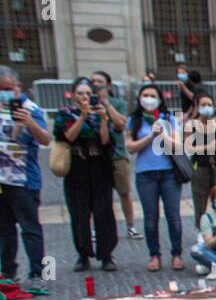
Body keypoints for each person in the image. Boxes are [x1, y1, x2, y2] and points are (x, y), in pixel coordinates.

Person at [56, 80, 117, 272]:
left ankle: (106, 255)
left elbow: (106, 140)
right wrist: (82, 116)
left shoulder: (99, 113)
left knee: (104, 212)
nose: (85, 96)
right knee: (79, 214)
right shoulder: (65, 114)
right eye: (81, 93)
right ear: (73, 95)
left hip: (99, 167)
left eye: (88, 93)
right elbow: (70, 137)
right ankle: (83, 254)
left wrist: (104, 120)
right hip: (77, 169)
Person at [127, 83, 186, 272]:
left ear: (160, 99)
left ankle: (176, 254)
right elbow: (130, 147)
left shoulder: (168, 119)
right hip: (145, 174)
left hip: (168, 172)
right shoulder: (134, 120)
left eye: (153, 95)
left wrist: (163, 135)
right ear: (140, 98)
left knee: (173, 216)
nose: (149, 99)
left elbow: (177, 146)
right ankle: (154, 255)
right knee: (151, 218)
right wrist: (150, 136)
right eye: (145, 95)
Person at [0, 67, 50, 285]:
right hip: (2, 181)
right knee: (4, 229)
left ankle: (38, 271)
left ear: (17, 86)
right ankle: (8, 271)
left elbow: (46, 139)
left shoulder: (31, 109)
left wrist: (29, 123)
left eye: (9, 89)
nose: (5, 94)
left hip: (25, 180)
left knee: (30, 227)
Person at [89, 71, 139, 240]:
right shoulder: (86, 104)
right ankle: (98, 227)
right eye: (92, 81)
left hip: (117, 153)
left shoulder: (117, 103)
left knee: (124, 192)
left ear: (108, 85)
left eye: (99, 82)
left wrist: (106, 104)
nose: (95, 84)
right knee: (99, 195)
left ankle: (130, 226)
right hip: (95, 155)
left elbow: (121, 124)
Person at [185, 91, 216, 224]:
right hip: (199, 167)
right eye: (203, 104)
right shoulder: (191, 125)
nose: (207, 107)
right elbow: (189, 148)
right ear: (197, 106)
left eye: (209, 104)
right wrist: (208, 147)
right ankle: (201, 228)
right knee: (199, 201)